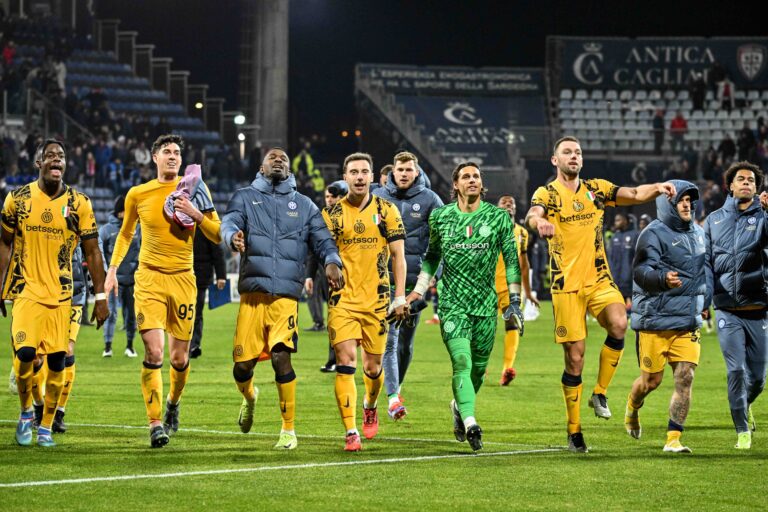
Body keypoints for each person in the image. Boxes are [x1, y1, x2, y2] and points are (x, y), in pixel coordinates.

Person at [525, 136, 675, 453]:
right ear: (555, 160)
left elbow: (633, 194)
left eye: (578, 152)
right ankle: (574, 430)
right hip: (566, 286)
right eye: (567, 152)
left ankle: (600, 392)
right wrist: (539, 222)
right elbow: (533, 213)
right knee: (575, 360)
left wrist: (659, 186)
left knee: (620, 323)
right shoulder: (548, 193)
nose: (574, 156)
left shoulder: (596, 189)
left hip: (599, 279)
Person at [104, 134, 222, 448]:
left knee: (179, 358)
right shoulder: (138, 194)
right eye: (166, 152)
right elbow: (126, 233)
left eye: (177, 153)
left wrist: (195, 213)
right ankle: (155, 423)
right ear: (154, 157)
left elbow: (218, 234)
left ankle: (172, 402)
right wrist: (113, 270)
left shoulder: (196, 188)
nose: (172, 156)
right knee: (155, 352)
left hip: (184, 280)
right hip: (150, 280)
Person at [221, 147, 342, 450]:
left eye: (284, 159)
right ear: (261, 168)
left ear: (290, 170)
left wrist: (331, 261)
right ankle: (249, 396)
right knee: (243, 366)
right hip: (252, 296)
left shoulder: (304, 205)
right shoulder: (245, 197)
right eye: (273, 157)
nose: (279, 160)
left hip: (286, 296)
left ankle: (288, 430)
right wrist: (231, 236)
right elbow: (230, 222)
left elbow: (323, 239)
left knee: (280, 356)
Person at [0, 139, 109, 447]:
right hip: (26, 290)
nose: (56, 160)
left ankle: (46, 426)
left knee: (58, 362)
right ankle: (25, 413)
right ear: (39, 164)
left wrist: (101, 298)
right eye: (49, 156)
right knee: (25, 357)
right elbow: (4, 242)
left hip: (62, 295)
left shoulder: (79, 204)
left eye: (60, 156)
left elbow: (93, 251)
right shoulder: (17, 200)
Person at [408, 163, 524, 451]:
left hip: (485, 306)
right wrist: (419, 291)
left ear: (481, 184)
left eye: (476, 176)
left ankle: (459, 406)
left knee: (479, 371)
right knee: (461, 361)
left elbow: (511, 260)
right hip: (452, 304)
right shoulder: (441, 217)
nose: (472, 180)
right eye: (466, 177)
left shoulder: (498, 218)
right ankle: (471, 421)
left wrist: (515, 301)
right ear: (456, 185)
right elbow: (432, 257)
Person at [322, 152, 407, 451]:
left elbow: (398, 255)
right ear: (344, 177)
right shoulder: (331, 215)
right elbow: (324, 252)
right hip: (343, 300)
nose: (359, 177)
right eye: (353, 172)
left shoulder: (387, 210)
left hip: (377, 301)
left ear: (372, 177)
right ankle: (350, 431)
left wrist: (399, 297)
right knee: (346, 362)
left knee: (372, 369)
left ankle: (370, 403)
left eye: (364, 172)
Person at [626, 180, 707, 453]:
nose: (687, 204)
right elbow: (640, 272)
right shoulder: (652, 234)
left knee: (685, 377)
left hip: (686, 321)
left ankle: (673, 439)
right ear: (668, 203)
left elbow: (703, 271)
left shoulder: (698, 233)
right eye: (681, 200)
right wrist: (662, 278)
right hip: (655, 320)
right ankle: (633, 406)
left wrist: (704, 301)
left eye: (690, 200)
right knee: (651, 382)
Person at [373, 152, 443, 420]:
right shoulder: (378, 196)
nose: (403, 174)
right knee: (389, 342)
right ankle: (391, 397)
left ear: (416, 172)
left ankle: (395, 387)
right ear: (393, 171)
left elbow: (441, 243)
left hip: (414, 285)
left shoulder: (430, 200)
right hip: (382, 282)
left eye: (408, 170)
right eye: (400, 169)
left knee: (405, 345)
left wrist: (434, 273)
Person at [704, 161, 768, 450]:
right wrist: (704, 300)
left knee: (757, 379)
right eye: (740, 179)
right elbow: (705, 262)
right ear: (730, 185)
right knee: (736, 372)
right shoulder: (713, 220)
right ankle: (742, 430)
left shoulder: (763, 217)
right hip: (727, 309)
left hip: (758, 308)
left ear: (756, 188)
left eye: (751, 181)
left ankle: (746, 404)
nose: (746, 183)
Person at [495, 194, 539, 385]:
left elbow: (524, 264)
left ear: (515, 209)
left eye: (511, 203)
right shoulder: (486, 228)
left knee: (512, 324)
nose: (508, 204)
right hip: (487, 286)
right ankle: (477, 366)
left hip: (511, 287)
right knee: (482, 329)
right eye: (504, 202)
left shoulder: (522, 233)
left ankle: (507, 369)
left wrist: (528, 292)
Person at [98, 195, 140, 358]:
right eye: (125, 211)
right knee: (111, 314)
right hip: (113, 281)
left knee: (132, 316)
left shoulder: (138, 229)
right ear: (119, 212)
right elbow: (99, 253)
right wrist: (105, 274)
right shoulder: (107, 230)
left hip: (132, 280)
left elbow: (143, 250)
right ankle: (107, 347)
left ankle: (130, 346)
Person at [190, 228, 227, 359]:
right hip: (182, 275)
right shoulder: (181, 222)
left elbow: (218, 252)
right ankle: (185, 344)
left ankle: (194, 345)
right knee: (186, 312)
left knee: (196, 311)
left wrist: (221, 276)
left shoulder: (207, 226)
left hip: (200, 276)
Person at [607, 212, 639, 314]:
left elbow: (638, 255)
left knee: (630, 298)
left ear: (625, 221)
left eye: (618, 220)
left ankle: (631, 316)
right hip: (616, 276)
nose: (615, 223)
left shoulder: (635, 235)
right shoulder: (615, 236)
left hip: (629, 275)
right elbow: (610, 256)